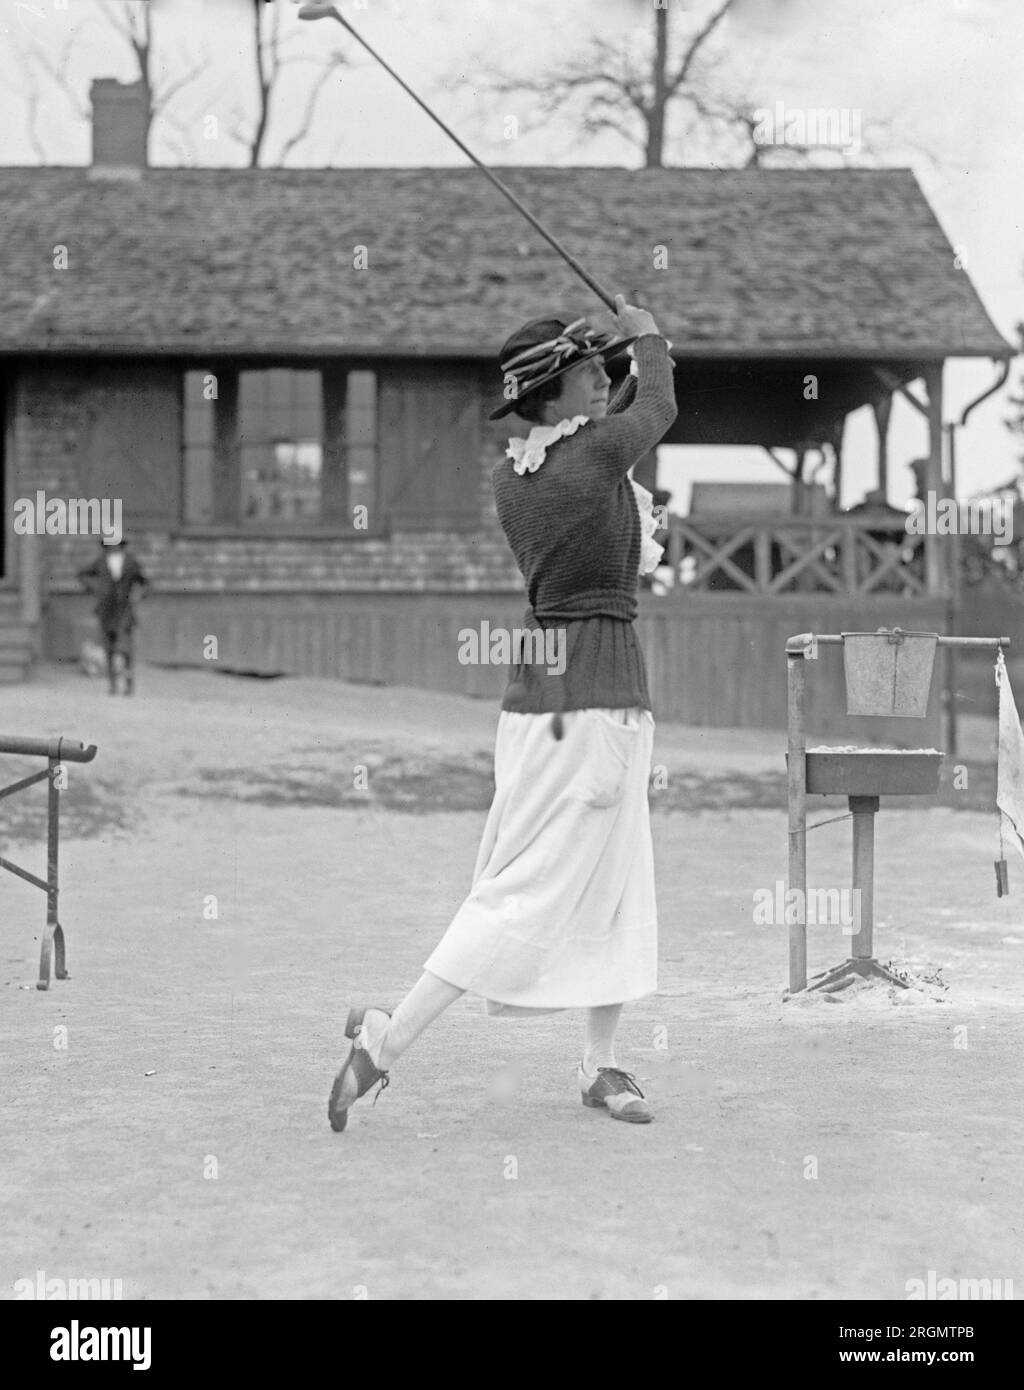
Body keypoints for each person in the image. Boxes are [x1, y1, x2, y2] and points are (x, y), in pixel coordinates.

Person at [327, 295, 677, 1131]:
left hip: (542, 699)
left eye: (604, 366)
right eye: (590, 371)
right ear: (554, 395)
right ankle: (386, 1041)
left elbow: (626, 416)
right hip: (594, 699)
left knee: (617, 885)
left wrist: (630, 348)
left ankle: (600, 1066)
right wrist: (652, 334)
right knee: (522, 895)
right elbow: (656, 404)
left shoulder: (522, 470)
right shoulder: (591, 461)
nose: (604, 379)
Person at [77, 536, 150, 695]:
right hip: (107, 609)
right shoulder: (100, 562)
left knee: (125, 647)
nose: (113, 548)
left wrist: (137, 596)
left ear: (122, 546)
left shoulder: (131, 562)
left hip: (125, 609)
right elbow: (82, 575)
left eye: (116, 545)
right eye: (110, 545)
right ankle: (113, 684)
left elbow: (144, 582)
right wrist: (95, 590)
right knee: (109, 647)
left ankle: (129, 684)